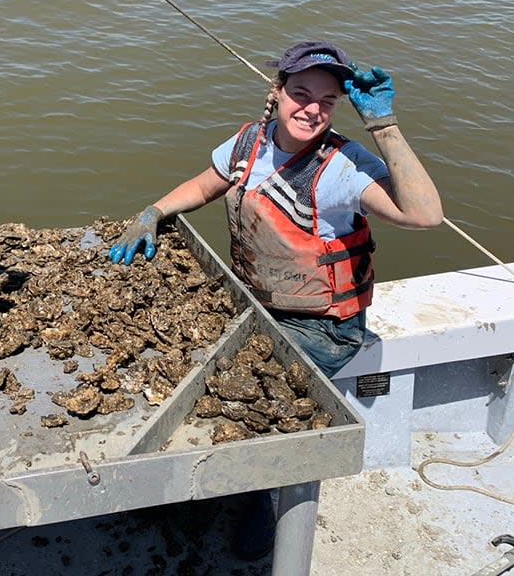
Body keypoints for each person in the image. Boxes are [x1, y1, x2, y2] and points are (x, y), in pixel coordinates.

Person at [108, 40, 443, 559]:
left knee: (253, 407)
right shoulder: (249, 142)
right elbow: (204, 185)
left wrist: (385, 124)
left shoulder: (342, 169)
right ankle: (179, 481)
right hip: (257, 305)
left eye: (327, 100)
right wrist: (153, 211)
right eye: (301, 93)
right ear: (278, 91)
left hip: (323, 326)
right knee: (166, 360)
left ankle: (260, 499)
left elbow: (424, 215)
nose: (311, 108)